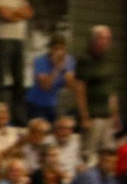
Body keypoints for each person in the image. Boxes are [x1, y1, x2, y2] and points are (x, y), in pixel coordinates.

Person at [74, 24, 119, 164]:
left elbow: (110, 90)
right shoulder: (85, 60)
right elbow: (80, 89)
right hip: (93, 115)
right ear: (94, 40)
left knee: (108, 152)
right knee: (89, 154)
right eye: (104, 39)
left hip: (106, 115)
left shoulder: (106, 61)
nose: (107, 42)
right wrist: (84, 116)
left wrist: (115, 114)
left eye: (109, 39)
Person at [26, 34, 75, 122]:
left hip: (55, 104)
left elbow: (70, 85)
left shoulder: (69, 60)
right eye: (56, 48)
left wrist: (65, 70)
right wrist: (56, 68)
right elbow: (45, 86)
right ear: (50, 49)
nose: (59, 52)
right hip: (36, 103)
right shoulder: (40, 61)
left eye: (62, 49)